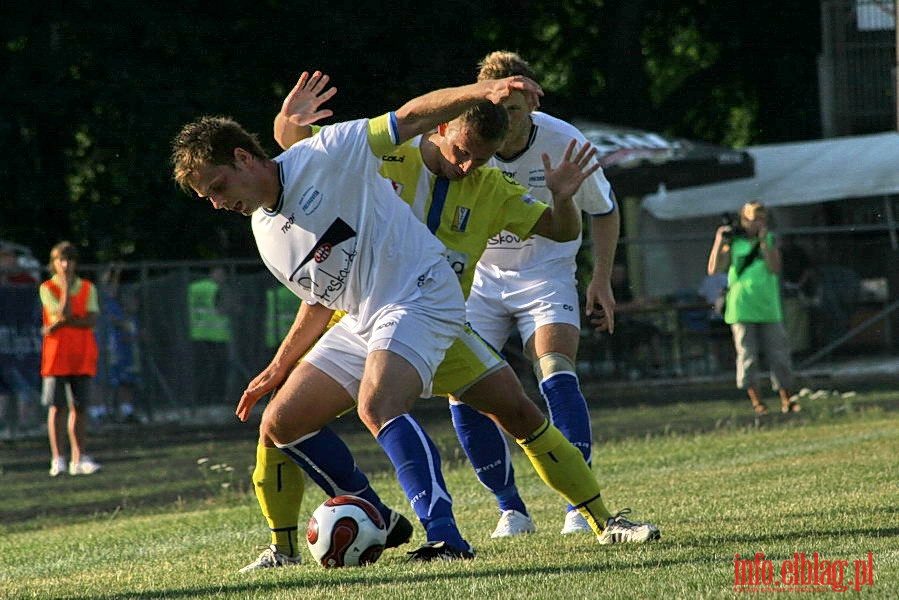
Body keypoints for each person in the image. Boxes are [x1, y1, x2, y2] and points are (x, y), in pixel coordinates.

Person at [171, 72, 658, 567]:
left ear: (242, 158)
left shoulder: (337, 151)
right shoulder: (266, 229)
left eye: (217, 186)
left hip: (423, 297)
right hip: (367, 316)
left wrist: (483, 93)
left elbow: (410, 114)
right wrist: (278, 367)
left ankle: (450, 537)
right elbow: (321, 299)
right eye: (207, 195)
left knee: (379, 404)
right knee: (280, 423)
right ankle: (328, 534)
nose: (216, 202)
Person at [453, 51, 621, 535]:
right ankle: (511, 509)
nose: (503, 122)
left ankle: (577, 507)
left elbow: (605, 211)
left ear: (532, 101)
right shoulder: (462, 139)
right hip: (479, 281)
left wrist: (600, 279)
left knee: (555, 372)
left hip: (545, 275)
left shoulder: (565, 141)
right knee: (463, 393)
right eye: (494, 108)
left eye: (514, 109)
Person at [707, 202, 800, 415]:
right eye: (753, 219)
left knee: (779, 355)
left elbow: (775, 269)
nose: (757, 223)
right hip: (741, 307)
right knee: (747, 355)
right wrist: (719, 240)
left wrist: (763, 242)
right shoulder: (734, 243)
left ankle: (788, 399)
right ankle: (757, 402)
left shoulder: (769, 240)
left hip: (768, 307)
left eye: (762, 219)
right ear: (743, 220)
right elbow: (714, 269)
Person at [39, 241, 102, 476]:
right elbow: (63, 313)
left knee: (80, 407)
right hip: (56, 357)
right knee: (57, 407)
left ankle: (79, 458)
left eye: (70, 260)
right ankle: (59, 459)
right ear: (54, 263)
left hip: (82, 355)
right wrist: (65, 288)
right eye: (61, 260)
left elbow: (91, 319)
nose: (66, 265)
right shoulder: (48, 288)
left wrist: (60, 324)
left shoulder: (87, 287)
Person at [187, 266, 232, 405]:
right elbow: (225, 309)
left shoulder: (194, 288)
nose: (222, 278)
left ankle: (200, 399)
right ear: (212, 273)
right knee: (218, 370)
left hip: (197, 334)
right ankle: (216, 398)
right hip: (217, 336)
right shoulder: (219, 289)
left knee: (201, 370)